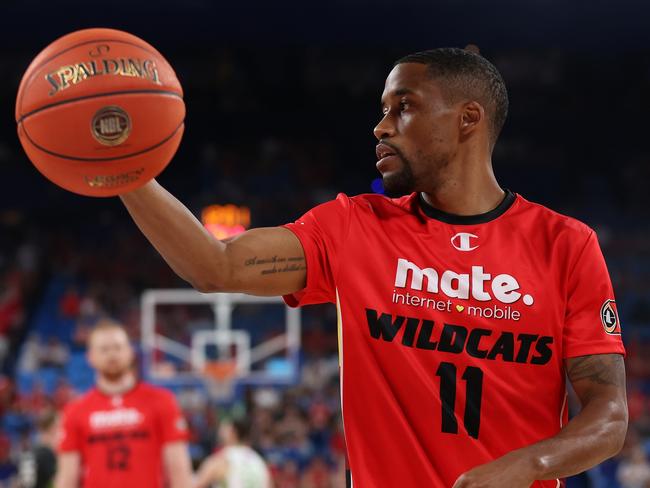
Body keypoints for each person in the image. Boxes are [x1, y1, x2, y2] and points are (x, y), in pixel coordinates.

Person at [118, 48, 628, 487]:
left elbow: (609, 416)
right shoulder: (353, 227)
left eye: (403, 108)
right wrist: (122, 169)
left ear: (468, 118)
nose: (381, 126)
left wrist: (528, 464)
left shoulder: (565, 245)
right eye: (383, 110)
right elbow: (217, 266)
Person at [54, 319, 192, 488]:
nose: (112, 354)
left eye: (118, 347)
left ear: (130, 352)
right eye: (104, 349)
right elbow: (67, 477)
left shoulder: (162, 401)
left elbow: (179, 470)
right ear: (90, 357)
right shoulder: (75, 411)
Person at [193, 418, 271, 488]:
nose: (220, 431)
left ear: (232, 432)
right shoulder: (259, 462)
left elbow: (194, 485)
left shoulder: (221, 460)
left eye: (224, 428)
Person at [17, 409, 58, 488]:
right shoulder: (46, 453)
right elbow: (59, 482)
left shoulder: (28, 450)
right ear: (52, 428)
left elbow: (22, 482)